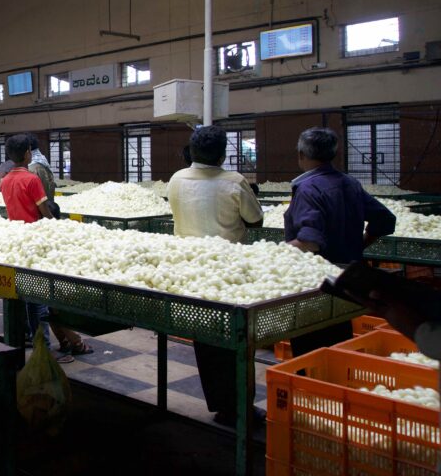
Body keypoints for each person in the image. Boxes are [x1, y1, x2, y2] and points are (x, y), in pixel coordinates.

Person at [167, 126, 265, 425]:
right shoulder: (233, 181)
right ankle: (241, 408)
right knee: (237, 340)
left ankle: (222, 404)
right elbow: (256, 220)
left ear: (192, 152)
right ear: (223, 154)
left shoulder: (176, 179)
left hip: (191, 269)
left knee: (206, 338)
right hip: (229, 273)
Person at [284, 127, 397, 354]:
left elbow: (310, 242)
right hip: (347, 280)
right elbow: (385, 220)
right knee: (339, 343)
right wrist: (360, 244)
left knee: (311, 350)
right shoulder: (350, 183)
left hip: (315, 286)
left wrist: (273, 253)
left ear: (301, 155)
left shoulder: (308, 189)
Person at [1, 134, 91, 362]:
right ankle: (46, 350)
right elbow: (44, 211)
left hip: (15, 240)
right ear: (28, 154)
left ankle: (37, 343)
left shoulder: (5, 181)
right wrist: (55, 225)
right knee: (39, 301)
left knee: (24, 298)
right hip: (35, 242)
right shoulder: (31, 179)